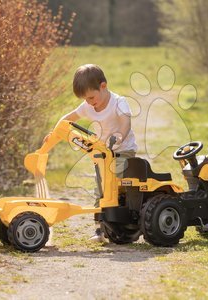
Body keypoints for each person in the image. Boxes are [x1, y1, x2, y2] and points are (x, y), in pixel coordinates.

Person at [44, 64, 138, 242]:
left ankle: (125, 223)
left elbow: (126, 122)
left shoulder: (119, 102)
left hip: (123, 151)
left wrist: (119, 138)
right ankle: (100, 230)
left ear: (103, 86)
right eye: (85, 99)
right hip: (102, 153)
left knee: (116, 185)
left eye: (91, 97)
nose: (89, 102)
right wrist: (54, 132)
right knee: (100, 188)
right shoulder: (88, 106)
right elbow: (67, 119)